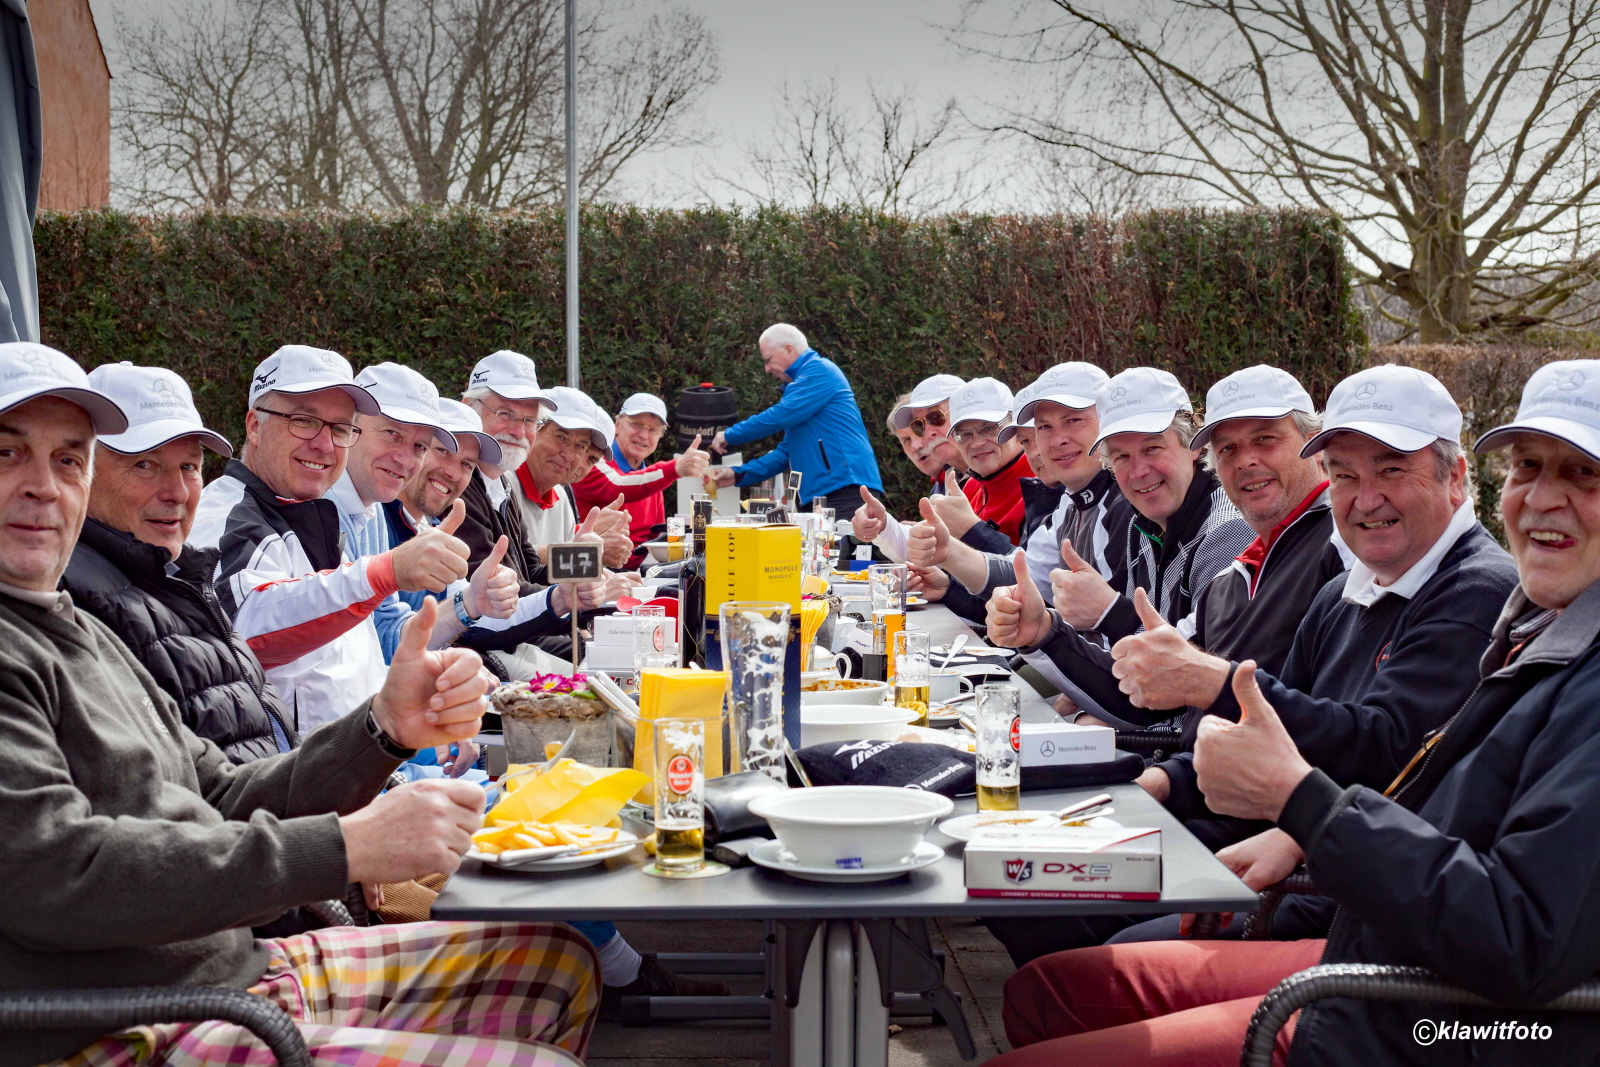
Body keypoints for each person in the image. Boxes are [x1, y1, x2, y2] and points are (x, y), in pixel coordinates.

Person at [0, 342, 599, 1067]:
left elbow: (220, 790)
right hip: (134, 1019)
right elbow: (58, 879)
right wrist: (349, 846)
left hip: (230, 967)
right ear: (256, 425)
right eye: (8, 454)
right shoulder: (72, 618)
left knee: (558, 964)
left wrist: (382, 731)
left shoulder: (86, 622)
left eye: (68, 459)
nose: (44, 487)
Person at [993, 359, 1600, 1067]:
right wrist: (1167, 786)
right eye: (1528, 466)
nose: (1543, 499)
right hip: (1361, 925)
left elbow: (1509, 929)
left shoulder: (1488, 601)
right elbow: (1358, 765)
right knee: (1044, 988)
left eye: (1584, 475)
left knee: (1046, 921)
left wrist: (1301, 810)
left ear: (1457, 478)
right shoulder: (1514, 622)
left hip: (1423, 1011)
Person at [191, 346, 489, 734]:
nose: (325, 444)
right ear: (254, 426)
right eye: (303, 421)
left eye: (339, 429)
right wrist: (385, 573)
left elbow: (344, 667)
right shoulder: (229, 516)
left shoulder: (310, 514)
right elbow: (246, 633)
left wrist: (423, 698)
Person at [61, 361, 291, 763]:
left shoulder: (181, 577)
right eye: (145, 465)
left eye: (189, 467)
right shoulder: (76, 603)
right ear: (85, 469)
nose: (178, 492)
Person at [331, 362, 520, 665]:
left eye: (419, 446)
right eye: (392, 433)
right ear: (350, 425)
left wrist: (471, 602)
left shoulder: (372, 510)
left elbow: (387, 634)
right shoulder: (321, 503)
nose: (406, 459)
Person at [708, 322, 882, 518]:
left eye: (768, 360)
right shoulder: (803, 389)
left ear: (789, 349)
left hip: (845, 489)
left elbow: (780, 414)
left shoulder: (819, 370)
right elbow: (786, 453)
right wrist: (738, 474)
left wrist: (730, 435)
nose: (766, 369)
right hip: (823, 494)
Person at [571, 392, 711, 565]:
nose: (644, 435)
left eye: (653, 430)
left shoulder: (651, 480)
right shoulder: (592, 458)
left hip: (637, 571)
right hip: (589, 567)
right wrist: (674, 468)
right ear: (617, 425)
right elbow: (616, 485)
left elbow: (655, 536)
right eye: (636, 424)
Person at [943, 377, 1034, 544]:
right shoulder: (971, 487)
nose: (977, 443)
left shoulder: (1042, 482)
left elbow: (1035, 559)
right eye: (965, 434)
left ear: (1016, 425)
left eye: (989, 428)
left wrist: (970, 529)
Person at [889, 373, 969, 491]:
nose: (927, 434)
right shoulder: (950, 484)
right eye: (919, 425)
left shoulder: (994, 470)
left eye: (936, 417)